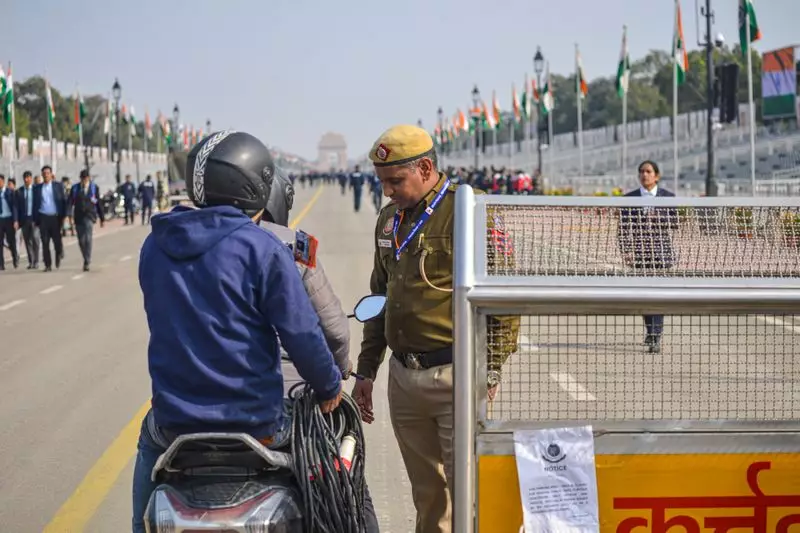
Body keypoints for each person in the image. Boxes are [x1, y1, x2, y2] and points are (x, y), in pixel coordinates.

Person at [131, 130, 344, 533]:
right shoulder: (262, 248)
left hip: (175, 422)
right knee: (330, 476)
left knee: (147, 444)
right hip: (257, 422)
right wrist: (330, 386)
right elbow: (302, 334)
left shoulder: (154, 245)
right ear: (255, 187)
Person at [352, 124, 520, 533]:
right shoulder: (389, 220)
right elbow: (380, 297)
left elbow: (504, 299)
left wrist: (490, 369)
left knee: (468, 492)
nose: (387, 191)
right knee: (428, 498)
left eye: (395, 181)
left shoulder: (470, 210)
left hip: (456, 377)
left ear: (426, 167)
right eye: (382, 182)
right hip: (405, 380)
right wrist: (367, 370)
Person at [258, 167, 381, 532]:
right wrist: (338, 372)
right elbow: (333, 331)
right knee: (351, 491)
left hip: (192, 409)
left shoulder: (181, 244)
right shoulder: (293, 245)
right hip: (286, 403)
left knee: (153, 464)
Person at [617, 160, 678, 354]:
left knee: (658, 295)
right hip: (640, 253)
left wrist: (657, 218)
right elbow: (623, 228)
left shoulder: (668, 197)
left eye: (648, 171)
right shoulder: (630, 198)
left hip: (661, 253)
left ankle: (655, 335)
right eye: (641, 171)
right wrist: (626, 250)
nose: (645, 175)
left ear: (656, 176)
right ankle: (650, 330)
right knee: (644, 295)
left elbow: (675, 222)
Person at [33, 165, 67, 272]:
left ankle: (58, 254)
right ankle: (47, 265)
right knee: (45, 242)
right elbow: (35, 205)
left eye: (48, 173)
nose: (46, 175)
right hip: (43, 217)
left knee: (57, 241)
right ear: (42, 175)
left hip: (55, 218)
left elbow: (63, 201)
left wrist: (64, 216)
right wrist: (35, 219)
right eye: (44, 174)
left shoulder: (58, 186)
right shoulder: (38, 188)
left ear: (51, 174)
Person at [70, 169, 105, 271]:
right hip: (78, 217)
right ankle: (85, 256)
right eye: (82, 178)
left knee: (88, 239)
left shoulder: (94, 188)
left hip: (89, 216)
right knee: (81, 240)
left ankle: (87, 260)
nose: (84, 180)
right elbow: (70, 203)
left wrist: (102, 218)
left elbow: (99, 204)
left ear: (89, 178)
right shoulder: (75, 189)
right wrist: (68, 215)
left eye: (86, 178)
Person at [15, 171, 40, 269]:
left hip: (34, 219)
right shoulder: (19, 191)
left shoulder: (36, 190)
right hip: (24, 220)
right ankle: (31, 261)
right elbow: (16, 207)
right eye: (25, 178)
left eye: (28, 177)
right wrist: (16, 220)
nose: (26, 179)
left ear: (31, 178)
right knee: (27, 241)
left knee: (35, 238)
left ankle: (36, 261)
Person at [0, 174, 19, 270]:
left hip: (8, 219)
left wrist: (15, 220)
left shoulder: (10, 192)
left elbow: (15, 207)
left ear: (3, 182)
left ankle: (15, 258)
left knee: (11, 241)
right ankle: (1, 264)